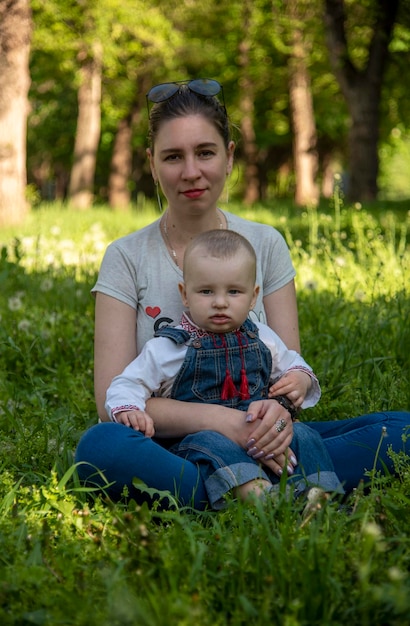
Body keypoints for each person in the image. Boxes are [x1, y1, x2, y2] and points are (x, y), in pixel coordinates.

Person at [75, 78, 410, 510]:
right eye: (173, 156)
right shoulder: (126, 256)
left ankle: (241, 491)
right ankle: (279, 489)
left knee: (400, 430)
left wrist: (280, 411)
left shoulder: (264, 243)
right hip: (171, 445)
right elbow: (111, 405)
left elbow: (286, 374)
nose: (191, 171)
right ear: (152, 164)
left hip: (264, 437)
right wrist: (224, 423)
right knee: (101, 447)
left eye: (206, 152)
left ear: (229, 156)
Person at [105, 229, 344, 509]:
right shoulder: (169, 348)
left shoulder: (263, 338)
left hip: (263, 433)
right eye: (206, 291)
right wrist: (129, 409)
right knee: (214, 444)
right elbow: (127, 383)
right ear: (185, 294)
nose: (220, 302)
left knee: (304, 435)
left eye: (234, 291)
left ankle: (320, 497)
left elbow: (294, 363)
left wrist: (300, 380)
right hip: (202, 441)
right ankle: (264, 501)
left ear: (253, 296)